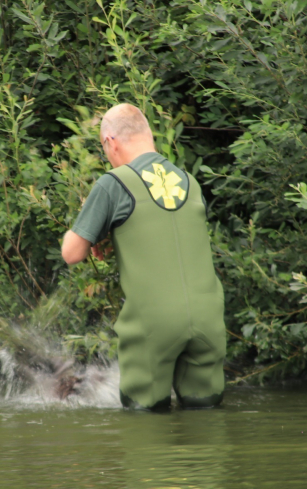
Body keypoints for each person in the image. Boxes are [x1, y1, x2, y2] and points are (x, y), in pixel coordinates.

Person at [61, 103, 226, 411]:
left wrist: (90, 230)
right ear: (149, 135)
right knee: (206, 413)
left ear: (110, 142)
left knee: (147, 419)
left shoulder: (114, 183)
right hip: (209, 318)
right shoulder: (189, 182)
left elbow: (72, 254)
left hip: (154, 325)